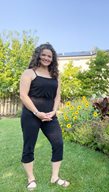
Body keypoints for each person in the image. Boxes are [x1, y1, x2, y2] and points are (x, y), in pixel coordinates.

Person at [19, 43, 70, 190]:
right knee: (29, 146)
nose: (46, 58)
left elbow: (57, 96)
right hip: (31, 115)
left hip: (50, 116)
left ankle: (55, 177)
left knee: (58, 143)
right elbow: (23, 95)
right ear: (38, 55)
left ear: (52, 58)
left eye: (49, 56)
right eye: (44, 55)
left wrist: (54, 111)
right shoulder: (29, 73)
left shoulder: (55, 76)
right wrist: (37, 113)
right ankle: (31, 179)